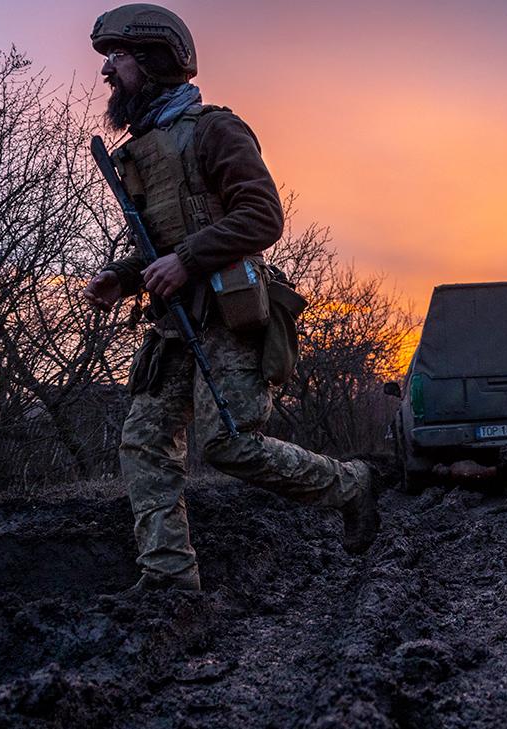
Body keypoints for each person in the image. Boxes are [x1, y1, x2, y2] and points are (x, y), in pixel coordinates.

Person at [82, 3, 379, 593]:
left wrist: (187, 259)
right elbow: (157, 247)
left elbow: (263, 216)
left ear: (152, 59)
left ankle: (351, 485)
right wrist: (124, 276)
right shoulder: (142, 151)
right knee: (144, 441)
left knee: (229, 445)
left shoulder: (215, 129)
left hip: (229, 316)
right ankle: (169, 576)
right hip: (175, 324)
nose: (108, 71)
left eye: (116, 57)